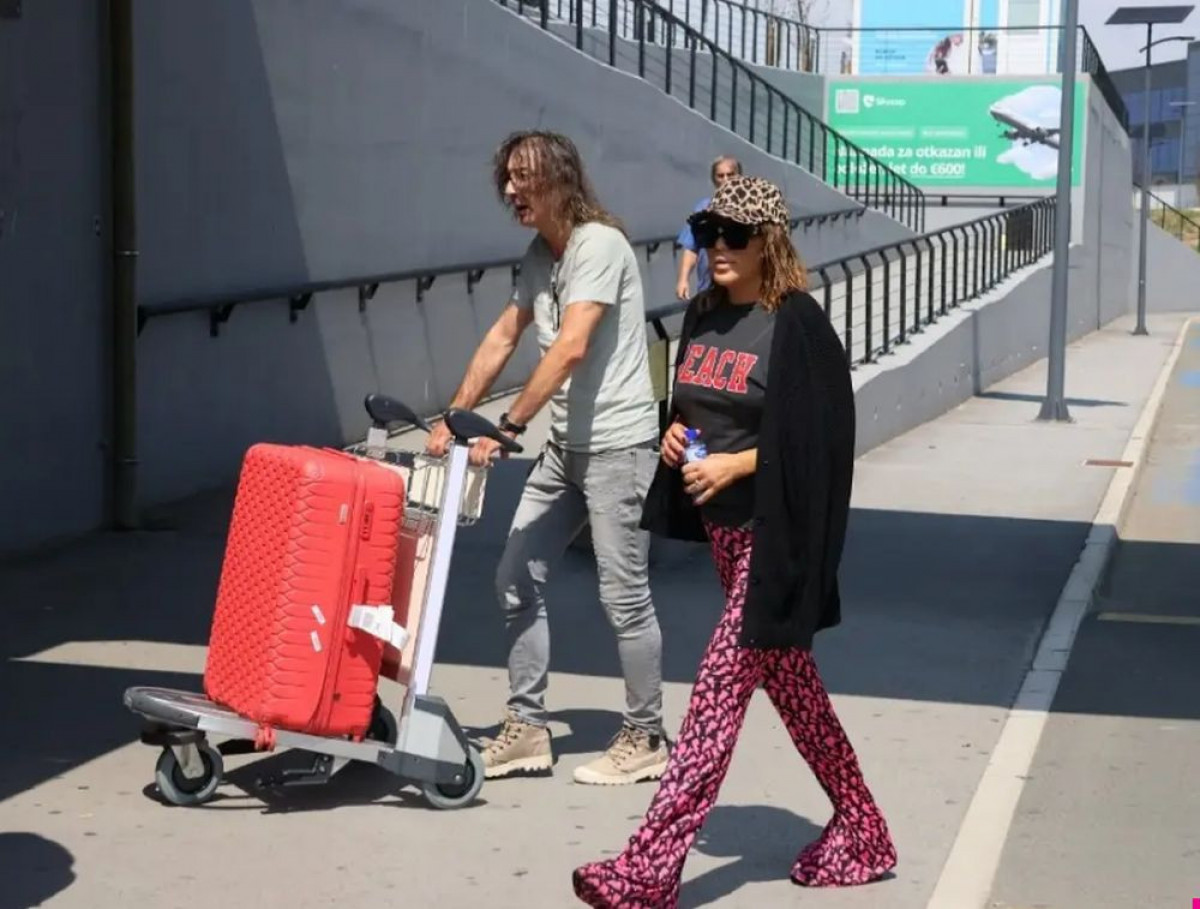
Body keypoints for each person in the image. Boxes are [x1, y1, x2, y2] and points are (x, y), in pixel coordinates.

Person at [572, 176, 897, 907]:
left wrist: (740, 463)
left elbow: (821, 440)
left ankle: (649, 870)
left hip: (772, 541)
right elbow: (695, 407)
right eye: (708, 232)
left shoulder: (797, 323)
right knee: (796, 691)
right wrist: (675, 436)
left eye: (735, 235)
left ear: (767, 242)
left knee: (714, 702)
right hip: (724, 536)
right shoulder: (703, 313)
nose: (717, 246)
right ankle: (864, 827)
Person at [425, 130, 669, 786]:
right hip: (566, 449)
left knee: (624, 597)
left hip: (618, 447)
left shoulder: (599, 245)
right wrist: (454, 415)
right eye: (506, 178)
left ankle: (646, 735)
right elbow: (504, 335)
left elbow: (571, 347)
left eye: (523, 177)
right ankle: (528, 727)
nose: (511, 190)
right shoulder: (541, 255)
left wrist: (506, 426)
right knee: (514, 578)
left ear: (560, 179)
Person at [674, 155, 742, 301]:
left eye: (730, 175)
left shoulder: (749, 210)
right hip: (708, 289)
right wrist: (683, 279)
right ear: (714, 179)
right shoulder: (703, 209)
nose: (725, 180)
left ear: (739, 177)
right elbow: (691, 247)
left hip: (741, 289)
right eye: (720, 176)